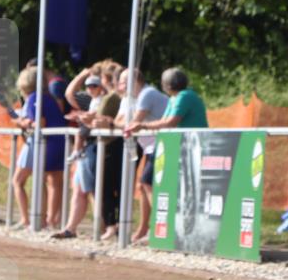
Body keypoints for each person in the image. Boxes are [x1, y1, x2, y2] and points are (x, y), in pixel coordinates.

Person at [53, 69, 122, 239]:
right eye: (89, 86)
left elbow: (104, 114)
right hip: (89, 147)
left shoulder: (113, 99)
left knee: (93, 190)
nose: (91, 88)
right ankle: (72, 228)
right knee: (80, 189)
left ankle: (106, 226)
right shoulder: (92, 100)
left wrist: (86, 117)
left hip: (98, 148)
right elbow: (70, 94)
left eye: (95, 84)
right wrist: (83, 74)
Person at [116, 68, 168, 242]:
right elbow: (121, 122)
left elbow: (133, 123)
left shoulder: (147, 94)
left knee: (147, 184)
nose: (120, 85)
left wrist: (118, 122)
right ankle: (145, 228)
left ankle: (159, 228)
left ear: (134, 81)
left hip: (161, 145)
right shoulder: (137, 97)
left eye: (123, 81)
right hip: (152, 147)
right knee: (143, 185)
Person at [12, 66, 66, 229]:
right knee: (54, 181)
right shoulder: (48, 97)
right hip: (59, 140)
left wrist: (22, 123)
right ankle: (51, 220)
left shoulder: (34, 97)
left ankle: (37, 219)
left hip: (48, 142)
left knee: (42, 180)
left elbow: (39, 122)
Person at [124, 67, 208, 133]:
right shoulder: (174, 98)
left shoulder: (185, 96)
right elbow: (164, 121)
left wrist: (143, 126)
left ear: (168, 86)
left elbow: (170, 123)